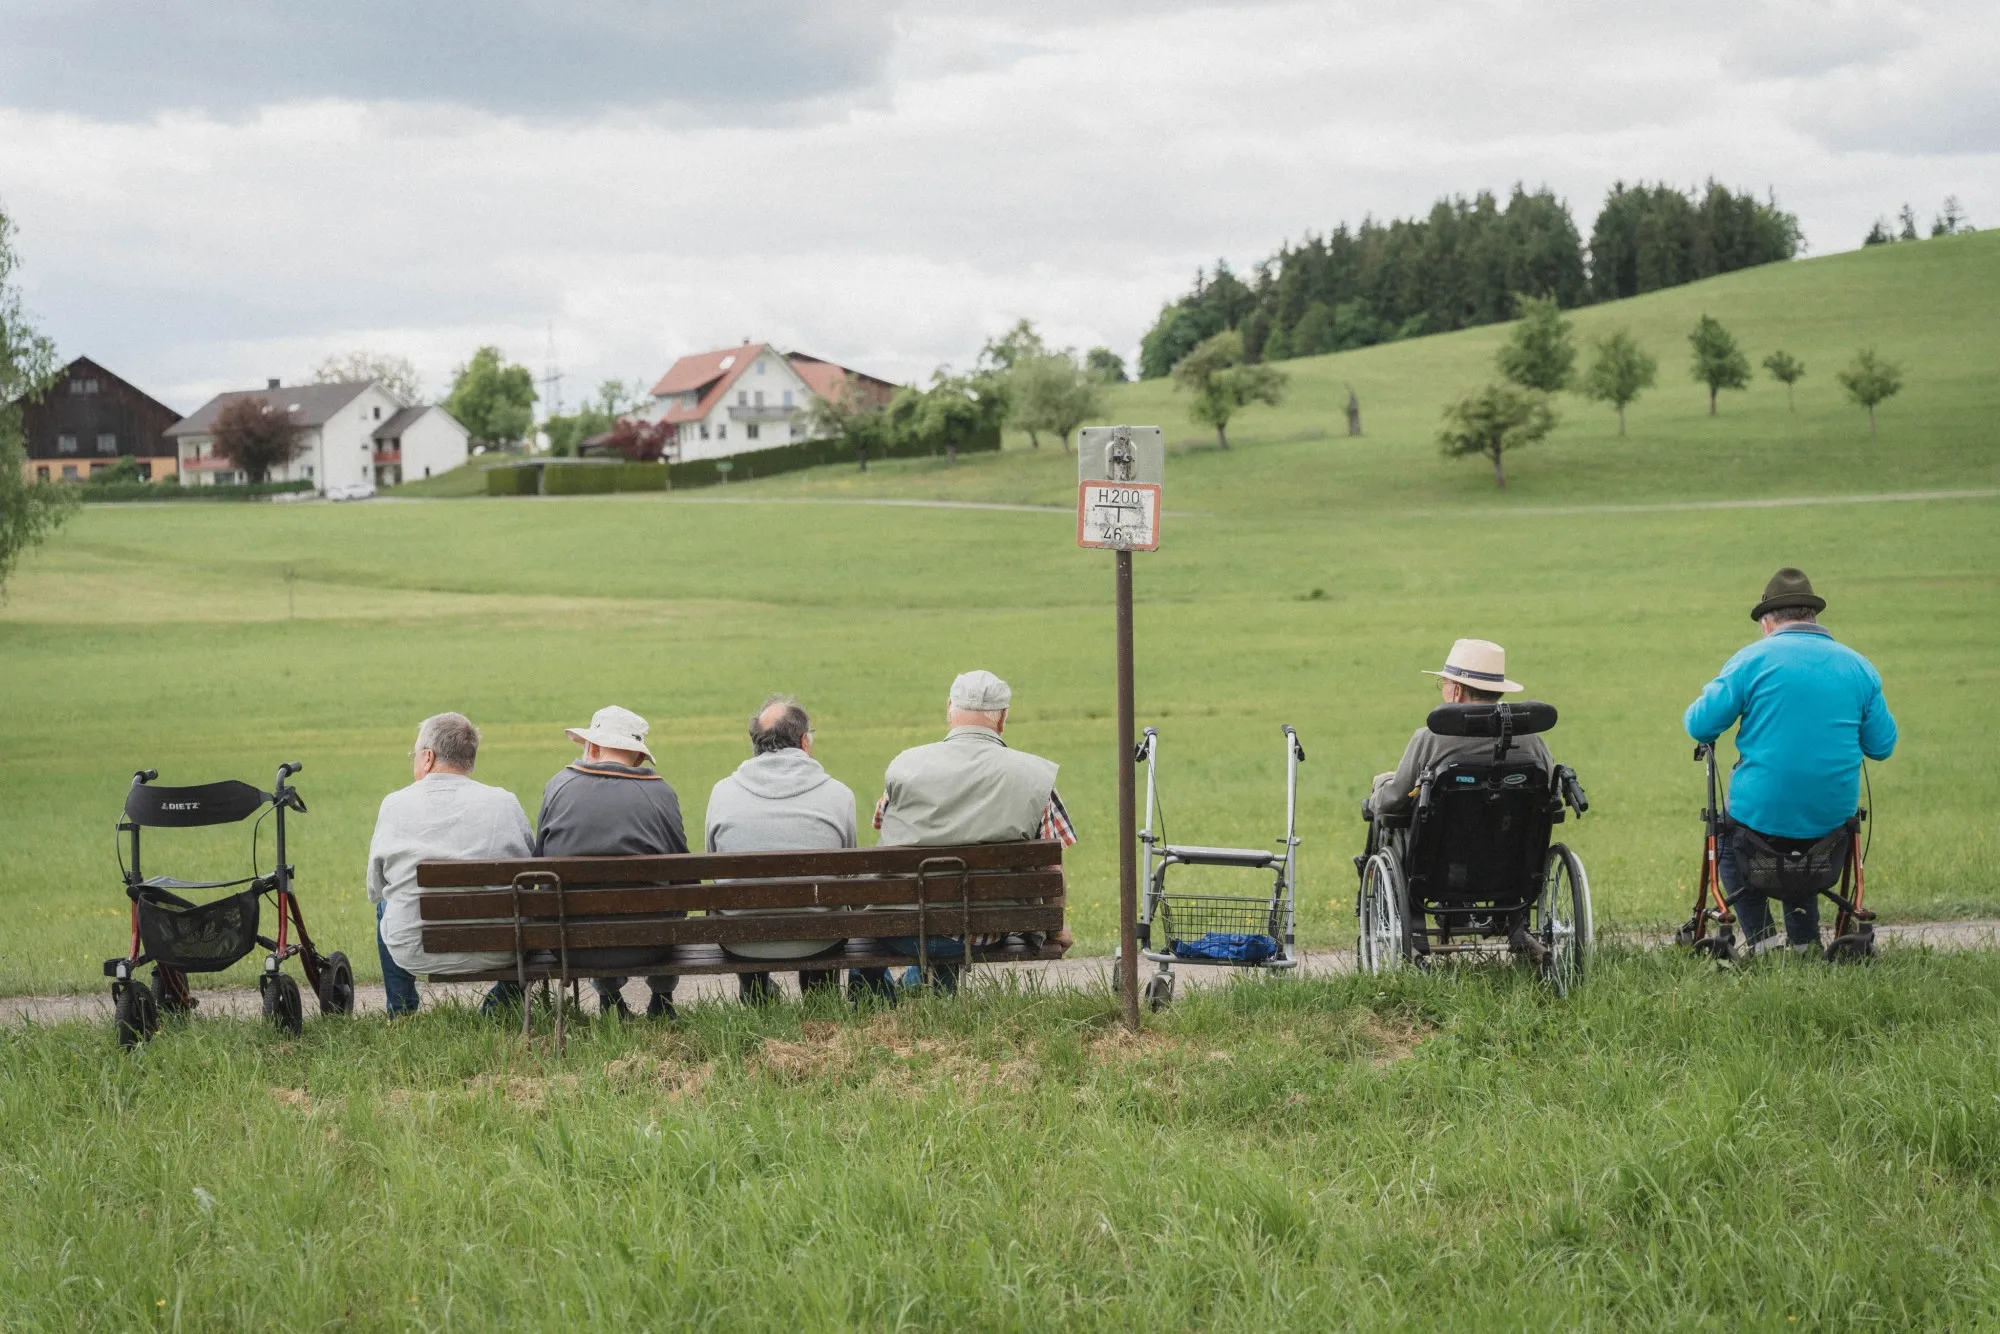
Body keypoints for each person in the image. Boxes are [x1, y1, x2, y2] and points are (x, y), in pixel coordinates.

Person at [1684, 568, 1897, 954]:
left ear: (1767, 623)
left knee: (1730, 843)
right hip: (1831, 821)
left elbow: (1699, 725)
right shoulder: (1858, 666)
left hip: (1760, 814)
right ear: (1812, 616)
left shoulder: (1751, 661)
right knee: (1806, 850)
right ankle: (1804, 943)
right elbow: (1882, 746)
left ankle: (1763, 940)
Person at [852, 669, 1076, 998]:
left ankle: (879, 1003)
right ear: (1003, 718)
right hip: (982, 929)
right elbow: (1050, 867)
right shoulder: (1035, 777)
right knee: (957, 919)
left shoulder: (905, 766)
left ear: (949, 710)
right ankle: (924, 993)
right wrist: (1055, 928)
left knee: (891, 916)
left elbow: (881, 822)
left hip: (899, 926)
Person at [367, 712, 532, 1016]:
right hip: (500, 950)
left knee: (384, 905)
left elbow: (376, 887)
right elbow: (530, 876)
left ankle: (401, 1010)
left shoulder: (394, 804)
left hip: (415, 949)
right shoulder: (503, 802)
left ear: (427, 757)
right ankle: (499, 1006)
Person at [534, 705, 689, 1019]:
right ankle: (662, 998)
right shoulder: (661, 794)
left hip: (571, 945)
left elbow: (540, 870)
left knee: (584, 901)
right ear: (639, 757)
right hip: (649, 944)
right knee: (668, 899)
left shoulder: (558, 788)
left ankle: (609, 999)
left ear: (591, 747)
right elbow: (684, 879)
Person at [706, 695, 857, 1003]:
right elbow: (849, 874)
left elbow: (715, 869)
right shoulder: (839, 795)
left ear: (756, 743)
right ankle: (821, 998)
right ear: (804, 742)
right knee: (825, 907)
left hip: (742, 941)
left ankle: (756, 990)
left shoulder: (722, 793)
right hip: (819, 938)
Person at [1368, 639, 1551, 818]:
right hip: (1516, 844)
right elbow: (1551, 792)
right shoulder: (1530, 739)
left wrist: (1381, 786)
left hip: (1438, 846)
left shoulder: (1430, 738)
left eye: (1444, 683)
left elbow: (1393, 801)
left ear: (1457, 691)